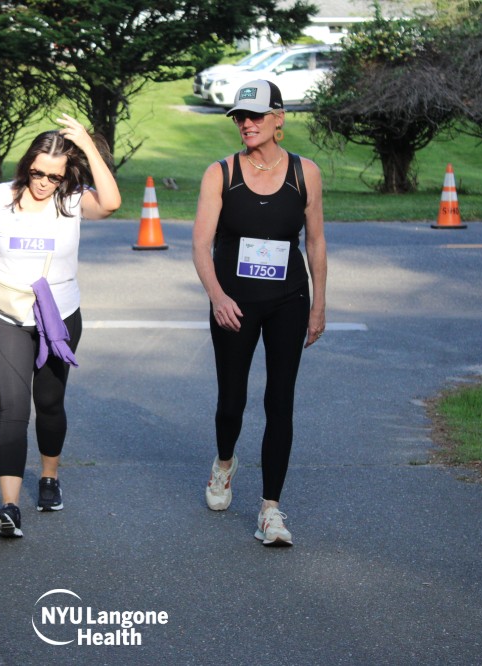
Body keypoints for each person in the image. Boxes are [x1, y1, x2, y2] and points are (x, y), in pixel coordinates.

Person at [0, 114, 121, 539]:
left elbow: (112, 203)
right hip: (7, 314)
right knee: (13, 408)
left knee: (48, 402)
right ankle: (9, 507)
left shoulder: (72, 200)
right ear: (27, 165)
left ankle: (49, 476)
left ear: (65, 176)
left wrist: (87, 144)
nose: (44, 182)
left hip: (59, 317)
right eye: (37, 173)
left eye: (53, 176)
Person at [191, 80, 327, 546]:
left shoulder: (306, 173)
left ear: (278, 118)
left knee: (279, 400)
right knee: (232, 400)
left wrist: (319, 303)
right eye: (240, 117)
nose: (246, 124)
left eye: (255, 116)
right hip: (234, 303)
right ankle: (224, 462)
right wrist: (217, 296)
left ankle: (271, 509)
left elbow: (315, 241)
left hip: (289, 299)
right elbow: (201, 244)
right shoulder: (221, 173)